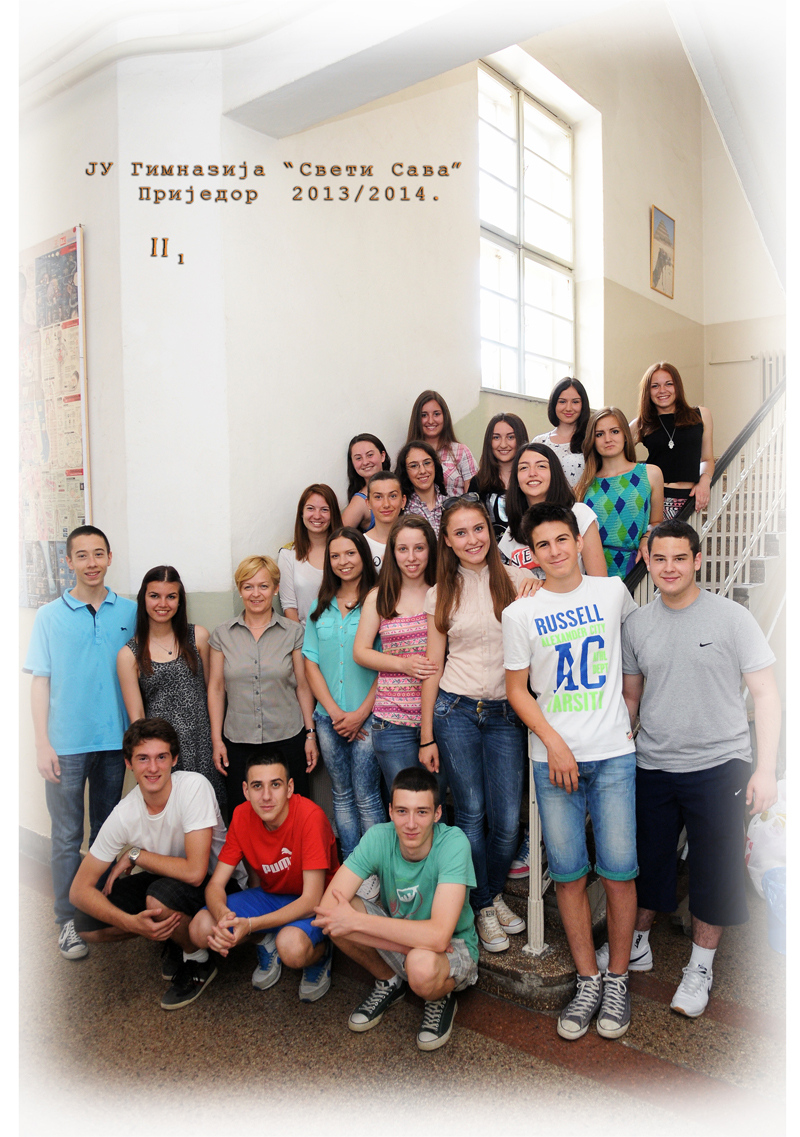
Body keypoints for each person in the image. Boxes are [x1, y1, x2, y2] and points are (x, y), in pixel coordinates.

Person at [594, 520, 780, 1018]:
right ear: (647, 561)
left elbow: (766, 694)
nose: (669, 568)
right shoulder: (637, 625)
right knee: (647, 863)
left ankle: (700, 967)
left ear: (697, 560)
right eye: (660, 559)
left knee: (713, 869)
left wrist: (765, 769)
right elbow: (631, 699)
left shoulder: (732, 618)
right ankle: (637, 944)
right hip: (654, 763)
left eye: (680, 558)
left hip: (721, 764)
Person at [503, 502, 639, 1042]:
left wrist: (633, 712)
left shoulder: (612, 592)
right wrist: (555, 744)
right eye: (543, 544)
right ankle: (588, 980)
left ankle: (618, 978)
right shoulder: (521, 613)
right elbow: (518, 690)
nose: (556, 551)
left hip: (612, 755)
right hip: (553, 760)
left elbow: (636, 652)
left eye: (563, 539)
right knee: (567, 873)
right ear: (532, 554)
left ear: (578, 541)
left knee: (620, 871)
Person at [68, 718, 247, 1010]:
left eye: (161, 757)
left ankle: (197, 960)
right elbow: (79, 890)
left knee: (157, 899)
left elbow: (195, 872)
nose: (153, 768)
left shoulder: (193, 787)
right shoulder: (124, 813)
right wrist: (131, 924)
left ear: (174, 759)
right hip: (167, 880)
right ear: (129, 763)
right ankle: (176, 936)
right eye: (143, 759)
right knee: (85, 923)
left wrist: (135, 854)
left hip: (220, 883)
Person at [420, 494, 529, 953]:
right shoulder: (439, 593)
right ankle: (485, 904)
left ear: (491, 530)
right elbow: (432, 665)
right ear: (447, 540)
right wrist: (426, 735)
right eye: (460, 533)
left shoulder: (521, 581)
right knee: (471, 813)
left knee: (506, 822)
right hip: (456, 711)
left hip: (506, 713)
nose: (472, 539)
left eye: (478, 529)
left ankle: (491, 892)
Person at [24, 524, 137, 960]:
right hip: (65, 746)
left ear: (110, 558)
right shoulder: (49, 616)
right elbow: (40, 681)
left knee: (106, 832)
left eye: (99, 554)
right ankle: (67, 920)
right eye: (83, 555)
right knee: (67, 835)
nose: (92, 563)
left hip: (114, 743)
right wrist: (41, 743)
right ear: (68, 561)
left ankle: (98, 914)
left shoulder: (129, 611)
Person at [313, 766, 479, 1051]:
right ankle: (389, 980)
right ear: (390, 811)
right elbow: (327, 910)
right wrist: (403, 947)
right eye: (402, 811)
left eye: (422, 812)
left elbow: (439, 937)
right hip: (402, 939)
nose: (411, 823)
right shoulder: (379, 837)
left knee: (420, 966)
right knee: (338, 914)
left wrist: (358, 923)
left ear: (437, 814)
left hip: (454, 946)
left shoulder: (453, 843)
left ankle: (439, 997)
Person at [189, 757, 340, 1004]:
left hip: (316, 902)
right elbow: (215, 884)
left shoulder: (310, 816)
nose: (266, 796)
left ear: (290, 788)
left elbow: (311, 899)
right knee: (200, 928)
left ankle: (320, 953)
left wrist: (250, 924)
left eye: (275, 785)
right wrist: (224, 916)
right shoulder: (241, 815)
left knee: (291, 948)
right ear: (246, 790)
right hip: (272, 896)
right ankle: (265, 939)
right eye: (257, 786)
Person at [302, 527, 385, 881]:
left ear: (363, 556)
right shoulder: (319, 607)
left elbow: (385, 664)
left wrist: (361, 713)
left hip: (369, 717)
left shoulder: (378, 602)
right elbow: (311, 662)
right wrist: (335, 713)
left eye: (350, 553)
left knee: (367, 795)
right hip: (328, 718)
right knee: (341, 795)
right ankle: (352, 874)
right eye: (335, 556)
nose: (343, 562)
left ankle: (377, 872)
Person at [208, 555, 319, 814]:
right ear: (240, 590)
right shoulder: (222, 634)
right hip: (238, 741)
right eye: (248, 586)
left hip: (288, 738)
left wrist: (310, 735)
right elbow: (216, 688)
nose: (256, 594)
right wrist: (216, 740)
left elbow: (303, 686)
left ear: (276, 588)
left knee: (293, 813)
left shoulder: (293, 632)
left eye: (263, 586)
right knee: (243, 814)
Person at [117, 565, 224, 809]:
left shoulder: (198, 637)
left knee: (207, 813)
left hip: (203, 745)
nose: (162, 604)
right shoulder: (129, 654)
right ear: (144, 598)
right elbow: (138, 718)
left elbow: (215, 692)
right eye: (155, 596)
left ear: (180, 600)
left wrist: (217, 740)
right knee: (169, 815)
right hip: (162, 753)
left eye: (171, 596)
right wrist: (149, 761)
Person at [353, 515, 444, 797]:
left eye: (419, 548)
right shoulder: (380, 596)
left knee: (435, 805)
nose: (411, 557)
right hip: (392, 721)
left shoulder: (442, 592)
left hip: (440, 717)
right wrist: (404, 665)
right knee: (405, 805)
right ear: (392, 553)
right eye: (403, 549)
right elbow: (360, 652)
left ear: (431, 549)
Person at [576, 407, 664, 578]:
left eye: (614, 431)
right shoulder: (582, 487)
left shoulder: (651, 474)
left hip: (637, 568)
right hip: (594, 573)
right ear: (592, 440)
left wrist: (647, 537)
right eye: (599, 434)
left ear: (625, 435)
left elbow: (657, 522)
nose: (607, 439)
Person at [500, 442, 607, 577]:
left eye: (541, 466)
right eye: (524, 468)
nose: (532, 473)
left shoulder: (580, 514)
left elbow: (599, 580)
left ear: (554, 473)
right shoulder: (514, 527)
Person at [632, 362, 714, 519]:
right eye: (655, 386)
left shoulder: (701, 415)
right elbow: (617, 455)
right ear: (648, 391)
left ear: (677, 386)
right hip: (653, 500)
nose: (662, 390)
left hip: (689, 499)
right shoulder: (641, 423)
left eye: (669, 384)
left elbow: (707, 459)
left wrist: (704, 481)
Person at [278, 484, 343, 627]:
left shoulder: (346, 551)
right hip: (304, 635)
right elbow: (289, 607)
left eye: (324, 509)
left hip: (342, 633)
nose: (317, 516)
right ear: (301, 513)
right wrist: (303, 639)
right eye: (310, 508)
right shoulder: (288, 554)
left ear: (333, 514)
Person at [468, 412, 529, 539]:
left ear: (521, 439)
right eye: (496, 437)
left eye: (510, 437)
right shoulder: (478, 482)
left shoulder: (532, 479)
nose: (503, 444)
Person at [405, 390, 477, 497]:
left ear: (445, 416)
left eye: (436, 414)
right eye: (424, 415)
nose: (430, 421)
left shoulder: (461, 451)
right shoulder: (408, 454)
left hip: (457, 507)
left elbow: (472, 495)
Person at [532, 377, 590, 488]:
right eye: (562, 401)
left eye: (575, 402)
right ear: (554, 404)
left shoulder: (591, 439)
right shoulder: (539, 442)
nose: (568, 408)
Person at [394, 440, 448, 536]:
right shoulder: (401, 511)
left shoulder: (451, 504)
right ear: (405, 472)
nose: (422, 471)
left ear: (435, 465)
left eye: (427, 463)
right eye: (414, 466)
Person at [341, 433, 392, 531]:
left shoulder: (400, 483)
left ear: (382, 456)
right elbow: (339, 536)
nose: (365, 462)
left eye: (370, 455)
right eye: (358, 458)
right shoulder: (359, 502)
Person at [363, 470, 406, 570]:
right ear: (368, 503)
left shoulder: (415, 540)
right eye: (378, 497)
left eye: (393, 496)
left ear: (403, 501)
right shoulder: (362, 544)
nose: (386, 504)